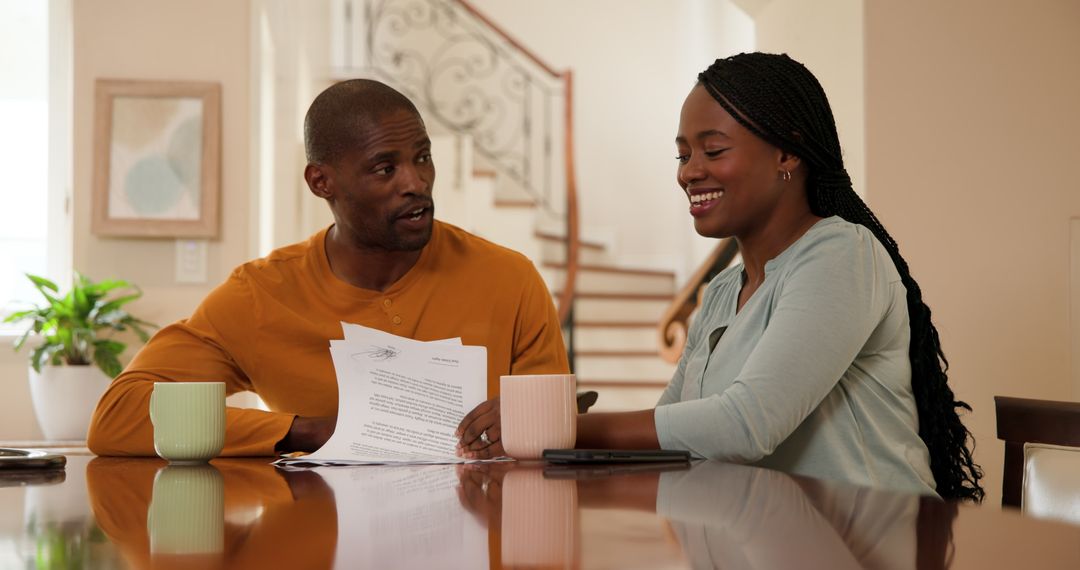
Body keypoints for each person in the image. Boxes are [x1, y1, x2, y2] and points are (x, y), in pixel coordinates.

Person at [459, 53, 984, 501]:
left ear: (787, 153)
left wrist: (558, 427)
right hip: (772, 538)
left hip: (872, 539)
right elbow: (675, 428)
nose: (689, 171)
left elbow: (744, 425)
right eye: (683, 154)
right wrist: (553, 430)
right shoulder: (722, 292)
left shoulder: (842, 254)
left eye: (713, 151)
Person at [87, 79, 568, 457]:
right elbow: (118, 416)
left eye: (422, 158)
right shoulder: (259, 296)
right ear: (321, 182)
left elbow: (557, 428)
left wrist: (532, 421)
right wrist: (308, 431)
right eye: (385, 168)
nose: (416, 182)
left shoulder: (510, 279)